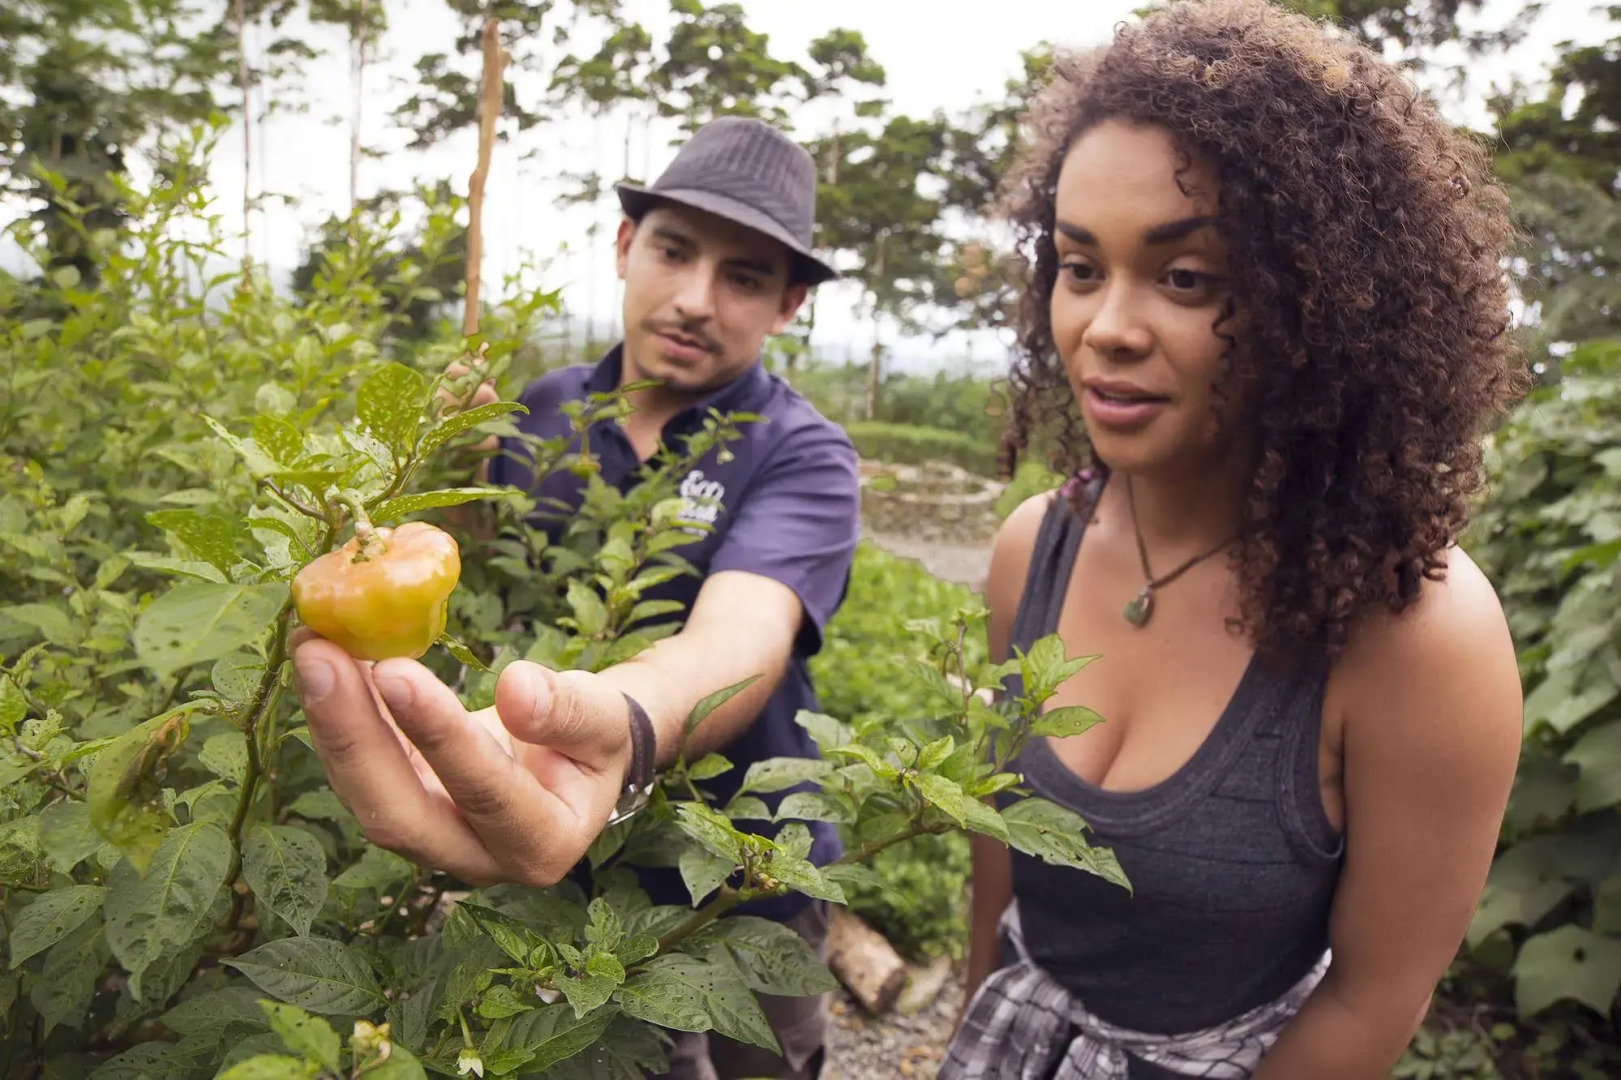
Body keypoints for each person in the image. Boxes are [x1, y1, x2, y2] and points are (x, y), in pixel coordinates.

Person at [941, 2, 1527, 1078]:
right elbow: (1000, 858)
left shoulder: (1415, 636)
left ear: (1324, 306)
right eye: (1078, 266)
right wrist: (972, 1023)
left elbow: (1370, 1000)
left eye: (1185, 278)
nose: (1107, 326)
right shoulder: (1038, 546)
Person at [289, 116, 859, 1080]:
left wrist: (628, 722)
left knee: (770, 1054)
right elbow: (476, 579)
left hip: (745, 865)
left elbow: (743, 634)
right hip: (565, 873)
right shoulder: (545, 409)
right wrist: (447, 463)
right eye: (674, 251)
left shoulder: (800, 452)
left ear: (789, 304)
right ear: (626, 244)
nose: (694, 300)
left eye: (745, 276)